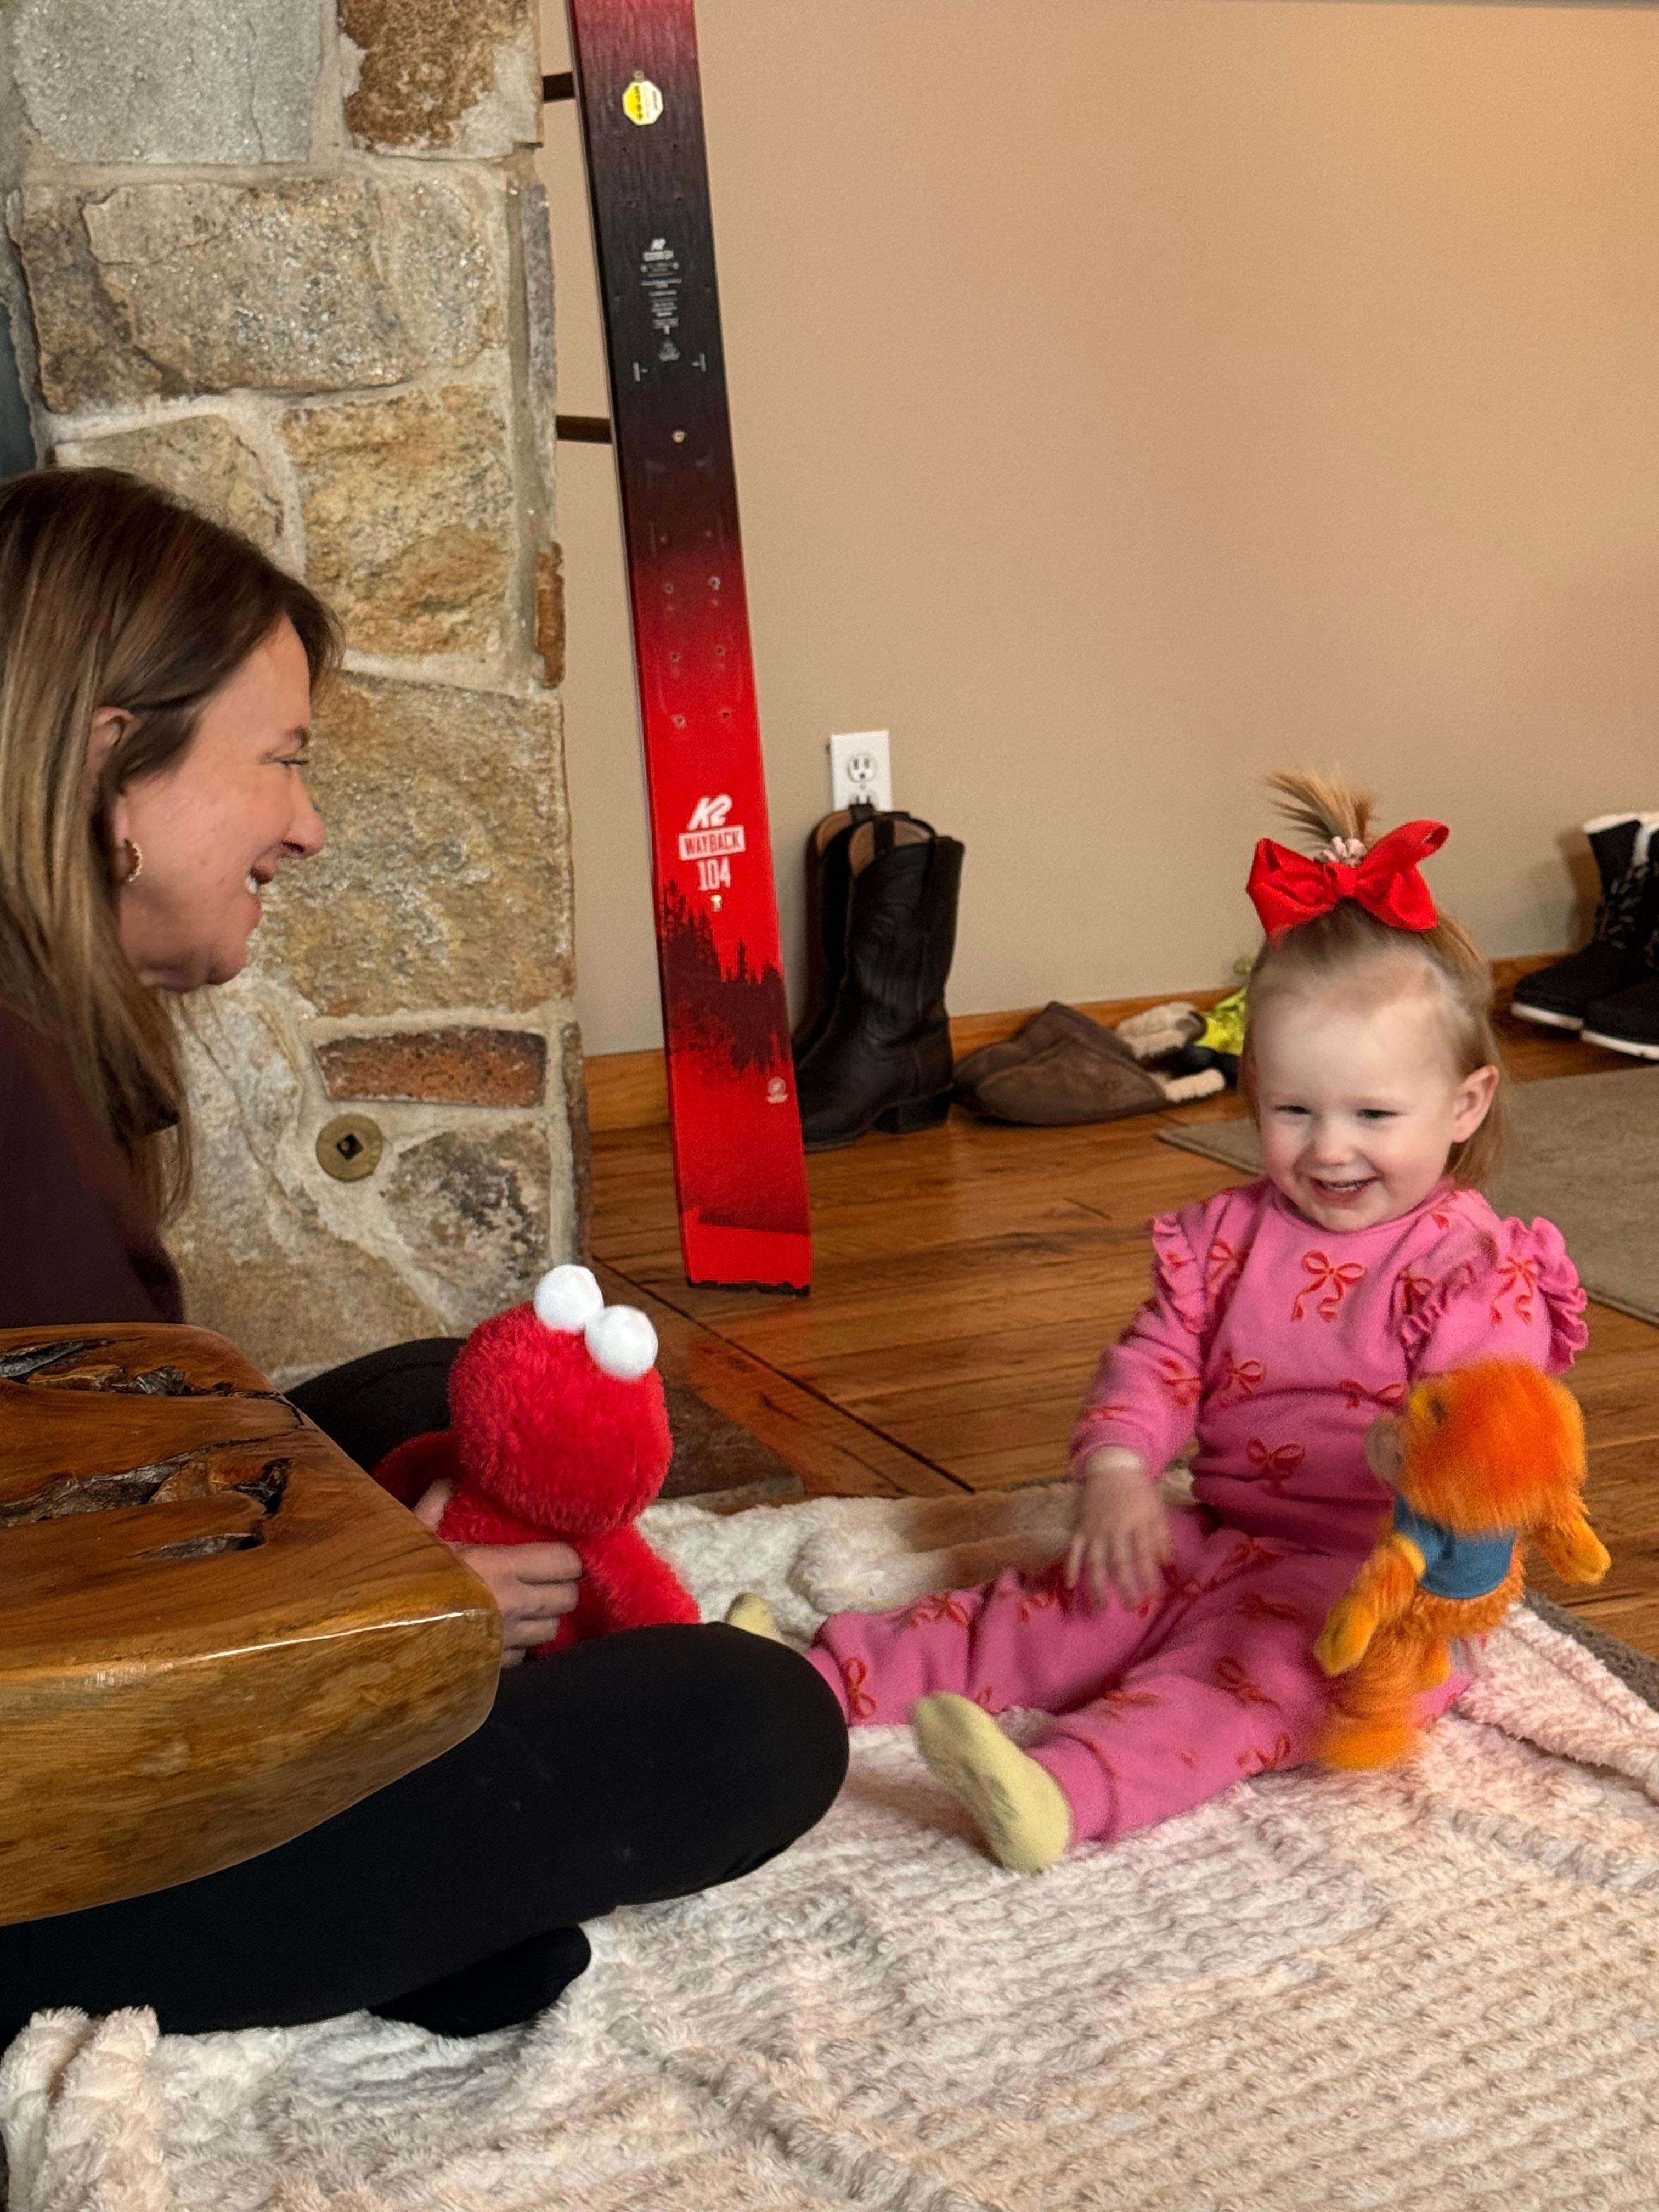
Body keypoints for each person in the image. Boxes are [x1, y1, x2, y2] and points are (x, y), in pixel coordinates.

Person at [0, 467, 846, 2042]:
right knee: (750, 1723)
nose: (307, 827)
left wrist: (384, 1565)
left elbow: (103, 1493)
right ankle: (400, 1915)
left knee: (426, 1389)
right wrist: (400, 1626)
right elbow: (80, 1654)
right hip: (47, 1858)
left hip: (67, 1621)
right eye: (283, 762)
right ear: (117, 759)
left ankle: (429, 1904)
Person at [735, 772, 1585, 1871]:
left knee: (1246, 1685)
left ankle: (1064, 1791)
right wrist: (1124, 1469)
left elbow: (1493, 1425)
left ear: (1463, 1106)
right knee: (1060, 1604)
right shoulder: (1230, 1235)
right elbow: (1157, 1361)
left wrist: (1430, 1455)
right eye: (1293, 1110)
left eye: (1374, 1115)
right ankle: (812, 1681)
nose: (1330, 1149)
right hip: (1224, 1531)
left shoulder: (1474, 1265)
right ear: (1251, 1089)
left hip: (1373, 1587)